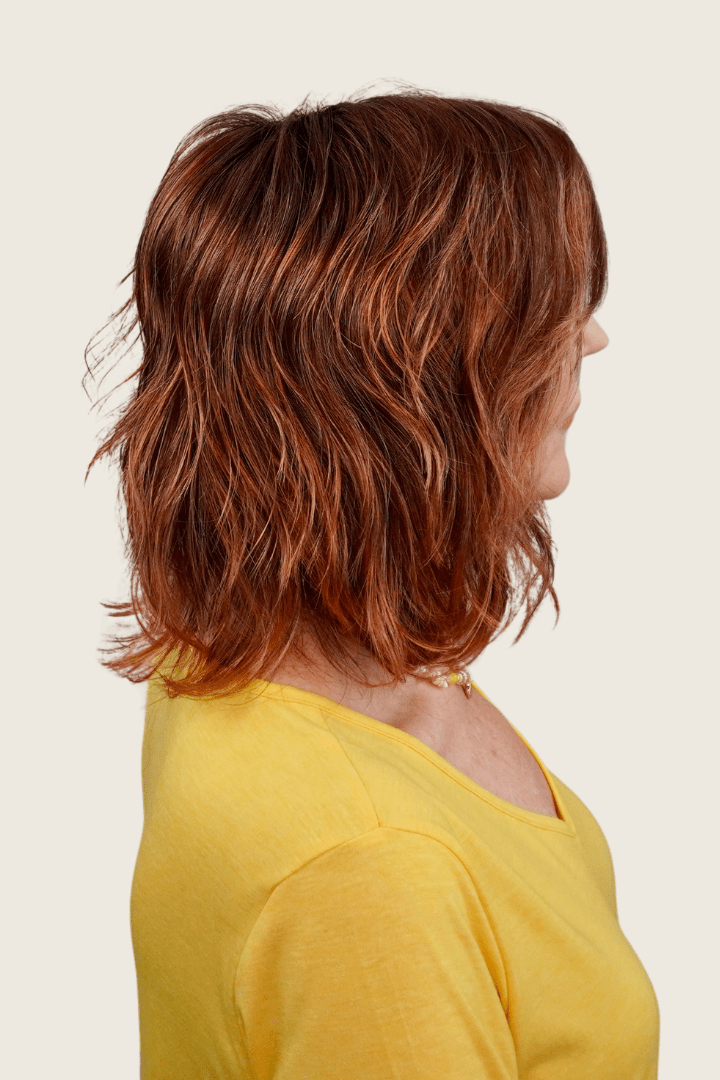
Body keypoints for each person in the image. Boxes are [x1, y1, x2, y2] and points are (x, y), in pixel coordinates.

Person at [85, 86, 660, 1078]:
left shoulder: (229, 649)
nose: (590, 338)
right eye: (545, 310)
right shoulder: (369, 874)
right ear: (411, 381)